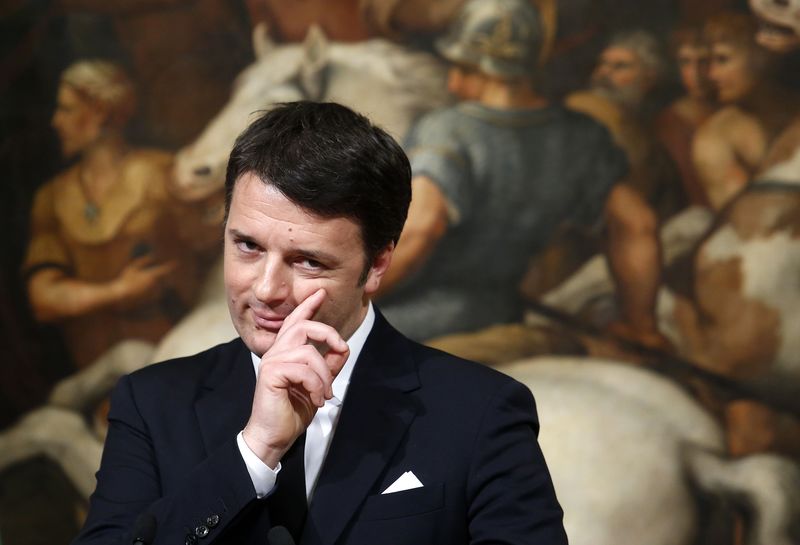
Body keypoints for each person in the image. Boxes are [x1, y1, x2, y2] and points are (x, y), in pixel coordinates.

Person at [72, 101, 568, 545]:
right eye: (247, 245)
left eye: (308, 261)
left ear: (376, 264)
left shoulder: (481, 412)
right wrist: (254, 452)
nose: (266, 289)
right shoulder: (151, 402)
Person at [376, 0, 667, 357]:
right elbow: (637, 224)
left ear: (482, 67)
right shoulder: (580, 136)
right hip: (504, 313)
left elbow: (421, 230)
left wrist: (351, 300)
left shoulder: (448, 131)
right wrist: (641, 326)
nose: (452, 83)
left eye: (460, 68)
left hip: (419, 320)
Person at [23, 60, 220, 369]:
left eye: (67, 109)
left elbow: (215, 242)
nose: (55, 121)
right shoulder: (52, 198)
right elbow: (43, 298)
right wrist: (119, 291)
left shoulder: (162, 173)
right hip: (96, 371)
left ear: (101, 112)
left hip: (176, 355)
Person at [691, 11, 800, 210]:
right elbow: (746, 222)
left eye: (723, 60)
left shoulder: (794, 108)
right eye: (710, 62)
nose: (713, 74)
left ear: (761, 57)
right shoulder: (715, 137)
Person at [654, 24, 718, 208]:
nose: (696, 74)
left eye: (704, 62)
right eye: (685, 62)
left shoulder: (737, 112)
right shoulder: (669, 123)